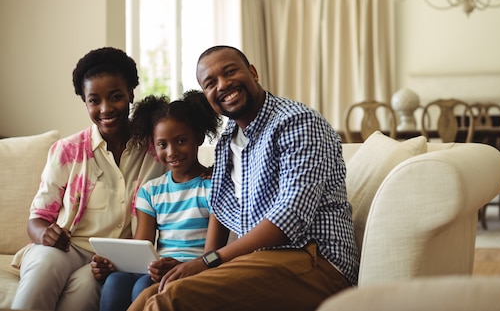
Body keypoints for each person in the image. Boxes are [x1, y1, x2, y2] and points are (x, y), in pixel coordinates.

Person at [128, 45, 359, 311]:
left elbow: (289, 217)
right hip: (263, 261)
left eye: (230, 72)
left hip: (317, 260)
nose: (223, 85)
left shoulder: (296, 121)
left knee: (171, 299)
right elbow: (224, 210)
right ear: (206, 95)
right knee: (151, 294)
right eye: (210, 83)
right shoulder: (229, 139)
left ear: (253, 72)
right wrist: (193, 264)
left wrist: (207, 262)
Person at [11, 47, 168, 311]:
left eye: (116, 96)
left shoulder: (156, 151)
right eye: (94, 100)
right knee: (45, 266)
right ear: (85, 101)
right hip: (66, 248)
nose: (106, 109)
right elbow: (36, 220)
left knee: (83, 293)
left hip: (113, 259)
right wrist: (45, 234)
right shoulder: (67, 151)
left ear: (131, 93)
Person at [93, 90, 222, 311]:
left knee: (142, 287)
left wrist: (184, 266)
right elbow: (141, 248)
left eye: (181, 141)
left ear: (199, 137)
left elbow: (213, 253)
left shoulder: (214, 187)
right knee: (115, 283)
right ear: (154, 145)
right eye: (162, 144)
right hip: (158, 268)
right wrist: (110, 265)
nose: (172, 152)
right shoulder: (151, 192)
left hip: (195, 268)